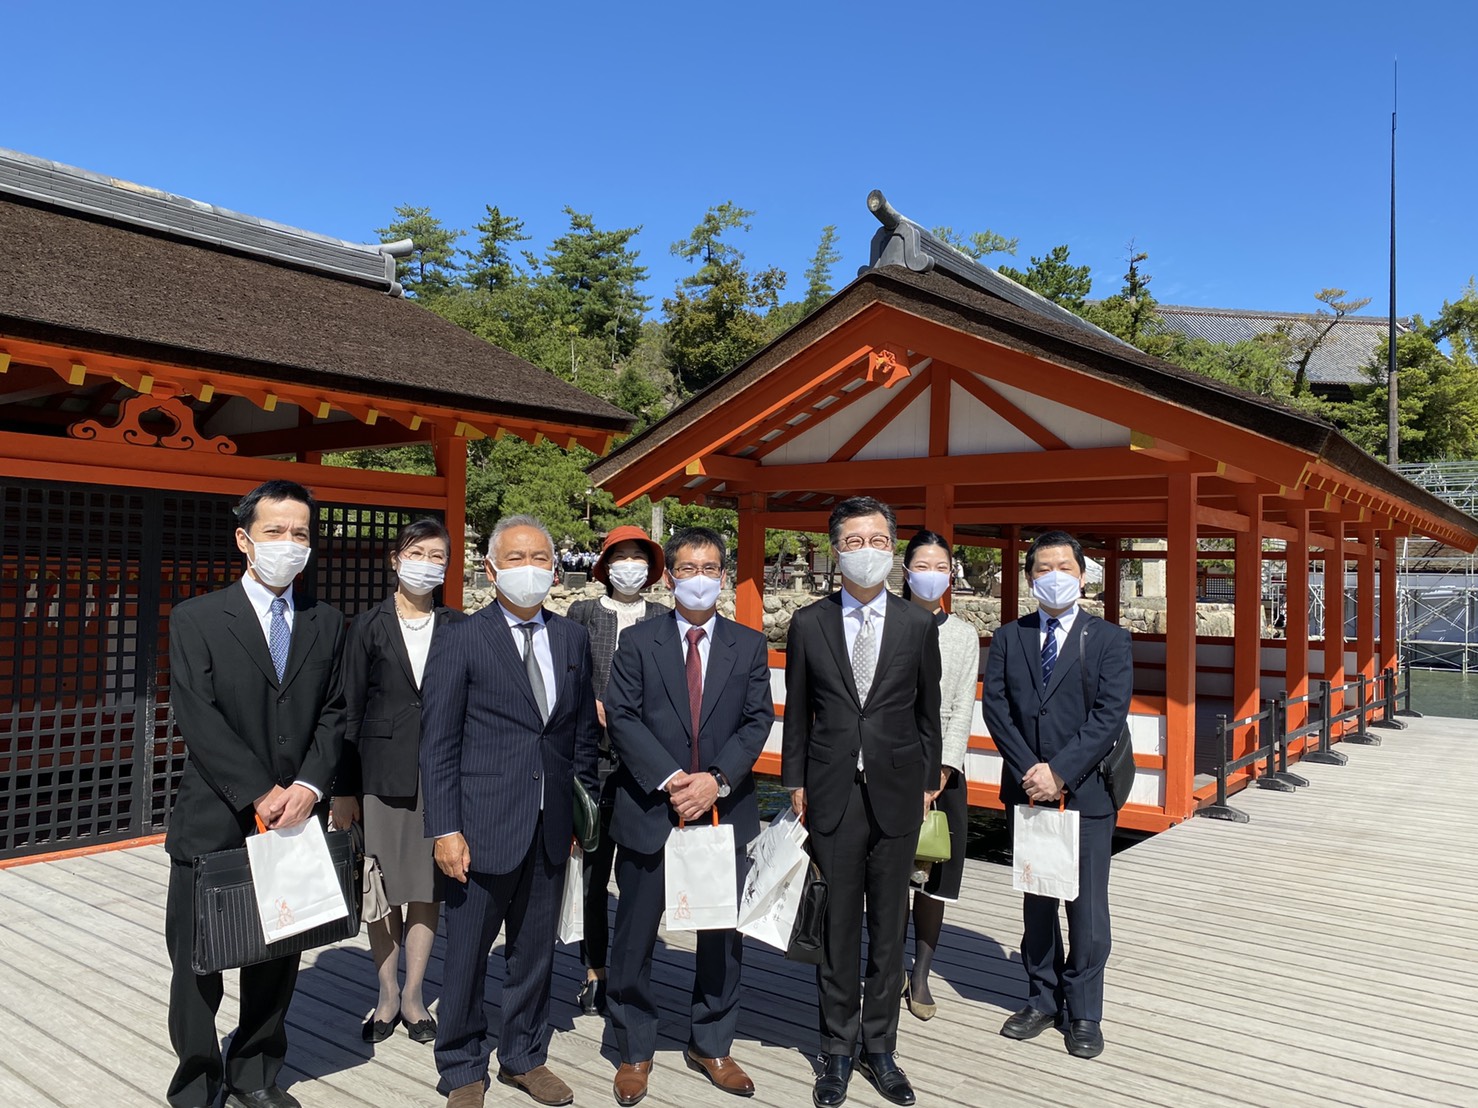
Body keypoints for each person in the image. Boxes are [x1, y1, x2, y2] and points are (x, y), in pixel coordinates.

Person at [163, 479, 346, 1108]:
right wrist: (259, 791)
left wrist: (308, 786)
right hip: (215, 816)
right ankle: (196, 1081)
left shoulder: (326, 621)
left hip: (294, 816)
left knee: (276, 954)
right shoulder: (197, 617)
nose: (288, 544)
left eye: (300, 533)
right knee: (198, 963)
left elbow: (335, 712)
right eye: (275, 531)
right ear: (245, 540)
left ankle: (255, 1074)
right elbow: (198, 715)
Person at [420, 515, 600, 1108]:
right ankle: (462, 1065)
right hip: (480, 823)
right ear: (492, 569)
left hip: (550, 824)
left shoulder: (572, 638)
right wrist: (445, 828)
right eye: (518, 558)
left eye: (542, 558)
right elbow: (439, 743)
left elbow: (576, 737)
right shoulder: (462, 637)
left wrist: (579, 814)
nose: (532, 568)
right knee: (468, 953)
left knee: (535, 952)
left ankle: (524, 1055)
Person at [603, 526, 774, 1106]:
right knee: (633, 937)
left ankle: (713, 1042)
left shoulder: (748, 645)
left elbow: (757, 721)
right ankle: (633, 1047)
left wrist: (716, 780)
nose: (699, 578)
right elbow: (622, 717)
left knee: (721, 938)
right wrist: (673, 779)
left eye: (710, 568)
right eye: (687, 568)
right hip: (653, 806)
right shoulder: (639, 641)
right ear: (670, 576)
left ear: (722, 576)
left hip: (723, 808)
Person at [782, 496, 942, 1108]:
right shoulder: (809, 623)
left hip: (899, 792)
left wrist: (929, 778)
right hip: (831, 792)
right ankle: (837, 1050)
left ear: (892, 550)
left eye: (878, 541)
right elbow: (799, 713)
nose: (867, 552)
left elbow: (928, 714)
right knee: (839, 927)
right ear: (835, 549)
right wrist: (795, 779)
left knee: (889, 929)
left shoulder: (917, 624)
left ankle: (882, 1047)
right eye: (855, 541)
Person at [981, 529, 1133, 1061]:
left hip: (1087, 792)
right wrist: (1032, 771)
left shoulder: (1109, 640)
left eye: (1064, 567)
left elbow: (1108, 716)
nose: (1054, 576)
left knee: (1088, 908)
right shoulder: (1009, 637)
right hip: (1027, 790)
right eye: (1043, 568)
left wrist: (1061, 772)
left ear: (1083, 576)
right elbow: (996, 710)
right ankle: (1041, 997)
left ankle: (1084, 1008)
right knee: (1038, 900)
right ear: (1028, 580)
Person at [331, 519, 466, 1045]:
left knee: (426, 888)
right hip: (380, 776)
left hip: (441, 776)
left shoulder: (460, 626)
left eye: (437, 555)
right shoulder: (366, 626)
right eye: (417, 552)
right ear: (395, 559)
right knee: (381, 890)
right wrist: (344, 787)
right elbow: (348, 710)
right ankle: (385, 993)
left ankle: (414, 995)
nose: (426, 563)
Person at [563, 525, 669, 1016]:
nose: (630, 565)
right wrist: (594, 704)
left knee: (641, 872)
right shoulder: (583, 613)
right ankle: (594, 970)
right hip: (594, 757)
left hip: (646, 762)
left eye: (638, 557)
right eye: (621, 556)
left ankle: (634, 967)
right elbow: (568, 676)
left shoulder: (663, 617)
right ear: (605, 564)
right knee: (592, 869)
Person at [899, 531, 980, 1022]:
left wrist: (940, 773)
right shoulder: (887, 622)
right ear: (905, 571)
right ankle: (885, 968)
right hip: (890, 767)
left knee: (937, 875)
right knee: (888, 875)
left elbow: (962, 708)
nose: (932, 574)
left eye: (941, 566)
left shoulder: (963, 634)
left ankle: (922, 972)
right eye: (922, 565)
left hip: (943, 771)